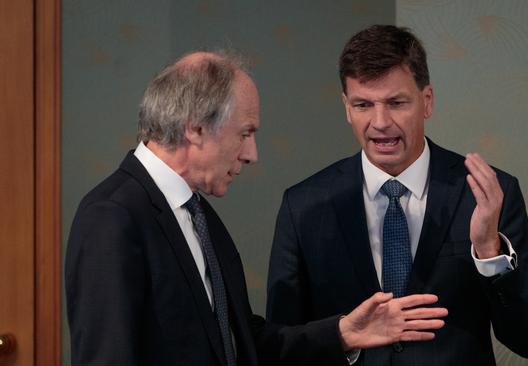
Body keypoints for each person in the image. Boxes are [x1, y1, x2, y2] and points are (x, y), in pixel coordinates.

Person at [65, 51, 449, 366]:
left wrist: (343, 333)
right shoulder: (113, 216)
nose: (251, 154)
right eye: (245, 133)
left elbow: (245, 341)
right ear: (195, 127)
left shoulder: (197, 213)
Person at [266, 25, 528, 365]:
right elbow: (281, 348)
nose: (380, 122)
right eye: (363, 105)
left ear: (426, 101)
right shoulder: (304, 206)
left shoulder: (487, 193)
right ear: (346, 107)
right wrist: (343, 337)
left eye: (396, 102)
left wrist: (489, 251)